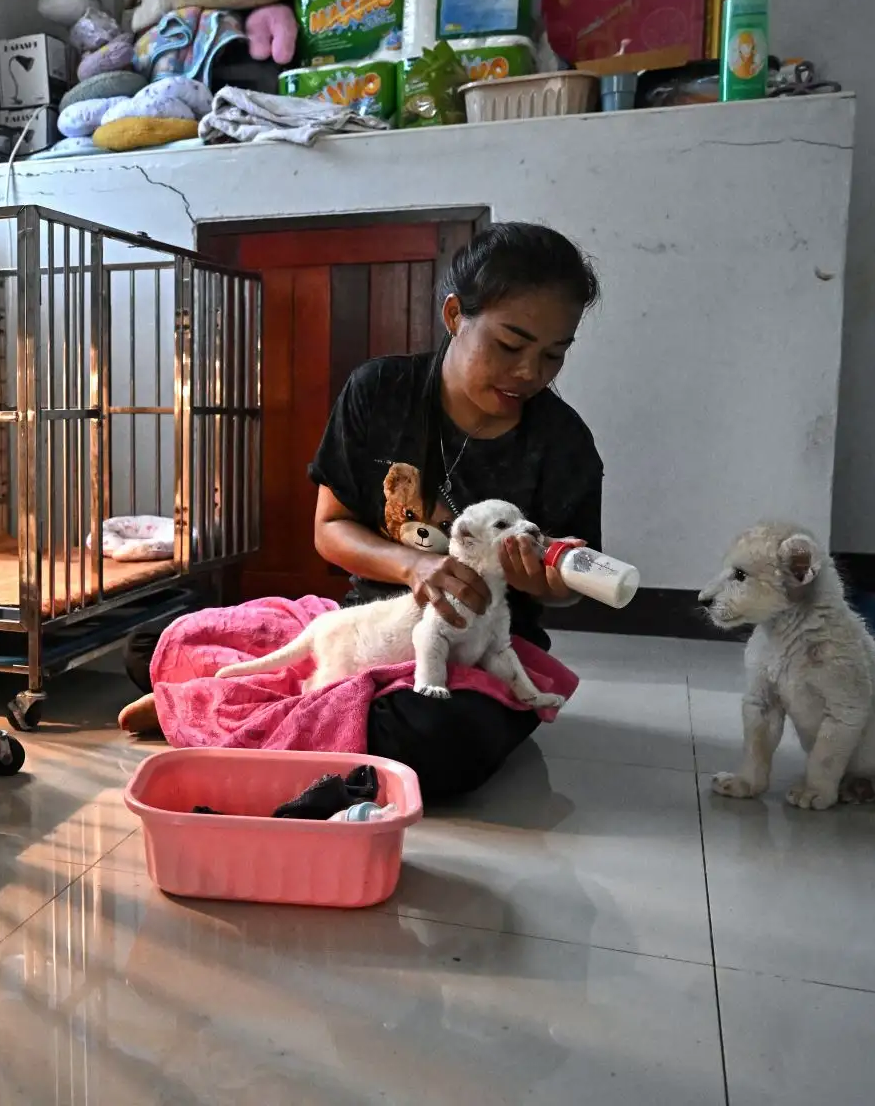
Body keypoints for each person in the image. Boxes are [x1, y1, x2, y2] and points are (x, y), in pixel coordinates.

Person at [122, 222, 603, 802]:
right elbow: (330, 529)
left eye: (554, 355)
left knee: (439, 741)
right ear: (455, 315)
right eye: (510, 345)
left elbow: (570, 582)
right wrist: (412, 567)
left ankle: (216, 707)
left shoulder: (565, 444)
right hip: (369, 622)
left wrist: (548, 584)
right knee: (149, 643)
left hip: (478, 652)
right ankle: (257, 705)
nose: (530, 373)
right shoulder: (381, 392)